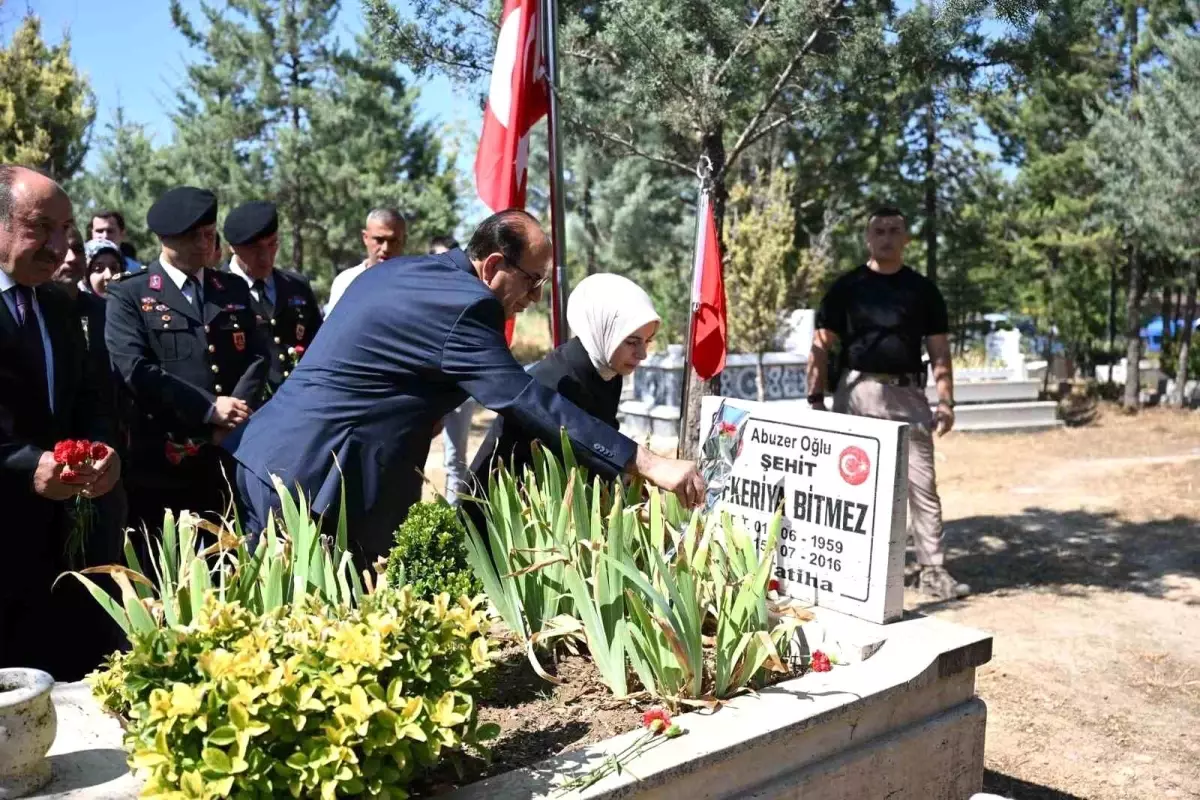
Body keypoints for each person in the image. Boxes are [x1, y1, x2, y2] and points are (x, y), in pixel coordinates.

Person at [224, 209, 705, 566]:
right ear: (494, 264)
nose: (536, 297)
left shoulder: (403, 271)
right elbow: (523, 398)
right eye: (533, 281)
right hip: (315, 482)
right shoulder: (468, 308)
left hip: (270, 457)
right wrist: (647, 462)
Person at [807, 206, 969, 600]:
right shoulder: (846, 288)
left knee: (922, 484)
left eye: (895, 230)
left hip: (909, 397)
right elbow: (820, 346)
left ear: (906, 238)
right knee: (850, 484)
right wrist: (815, 398)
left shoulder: (923, 291)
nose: (887, 237)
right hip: (858, 392)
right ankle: (850, 567)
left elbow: (940, 353)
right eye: (879, 231)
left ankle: (932, 570)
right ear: (868, 238)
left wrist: (946, 402)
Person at [1, 165, 123, 678]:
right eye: (41, 227)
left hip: (65, 548)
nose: (59, 246)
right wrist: (26, 467)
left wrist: (103, 451)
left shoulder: (61, 304)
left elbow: (92, 399)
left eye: (65, 229)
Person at [105, 187, 270, 537]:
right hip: (164, 462)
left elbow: (257, 355)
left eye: (210, 234)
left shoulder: (232, 289)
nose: (208, 244)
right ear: (171, 240)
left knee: (233, 564)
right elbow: (134, 368)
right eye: (199, 237)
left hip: (231, 454)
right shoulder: (131, 293)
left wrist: (235, 412)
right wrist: (209, 409)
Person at [471, 272, 659, 488]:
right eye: (632, 342)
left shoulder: (608, 369)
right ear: (602, 331)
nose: (642, 354)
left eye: (647, 341)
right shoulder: (558, 381)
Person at [49, 228, 129, 570]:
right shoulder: (32, 310)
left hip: (103, 454)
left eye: (77, 250)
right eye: (63, 250)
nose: (71, 259)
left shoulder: (105, 312)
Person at [223, 201, 323, 392]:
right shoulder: (217, 292)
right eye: (254, 249)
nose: (265, 257)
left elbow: (318, 345)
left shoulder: (296, 286)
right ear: (233, 248)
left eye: (272, 245)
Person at [429, 235, 478, 505]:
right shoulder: (421, 295)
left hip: (460, 389)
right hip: (429, 388)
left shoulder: (470, 295)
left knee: (455, 459)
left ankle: (454, 517)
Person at [325, 208, 407, 314]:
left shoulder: (416, 284)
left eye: (393, 241)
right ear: (365, 237)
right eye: (379, 240)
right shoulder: (346, 282)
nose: (386, 248)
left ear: (404, 240)